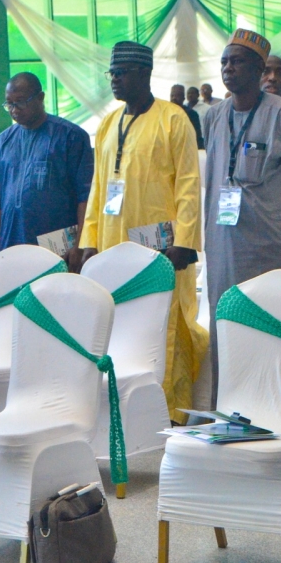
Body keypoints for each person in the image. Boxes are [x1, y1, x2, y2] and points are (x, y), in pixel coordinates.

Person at [79, 42, 207, 424]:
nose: (114, 80)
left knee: (167, 325)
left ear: (144, 74)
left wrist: (185, 242)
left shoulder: (173, 119)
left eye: (122, 72)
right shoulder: (107, 123)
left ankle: (171, 410)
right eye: (111, 73)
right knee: (119, 324)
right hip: (113, 248)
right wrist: (89, 241)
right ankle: (124, 409)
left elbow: (188, 183)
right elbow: (98, 188)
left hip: (164, 249)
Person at [202, 30, 281, 407]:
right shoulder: (213, 116)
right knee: (226, 322)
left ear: (260, 70)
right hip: (224, 244)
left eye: (237, 61)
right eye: (224, 61)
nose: (228, 68)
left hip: (271, 244)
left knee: (272, 322)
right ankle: (227, 407)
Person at [0, 73, 93, 271]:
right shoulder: (2, 143)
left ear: (40, 98)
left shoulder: (71, 137)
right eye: (9, 104)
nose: (14, 110)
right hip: (12, 243)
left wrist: (79, 245)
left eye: (20, 102)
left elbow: (86, 198)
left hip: (59, 247)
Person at [171, 84, 204, 149]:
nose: (174, 98)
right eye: (172, 95)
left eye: (178, 95)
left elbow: (197, 136)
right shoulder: (165, 113)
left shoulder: (191, 114)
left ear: (183, 98)